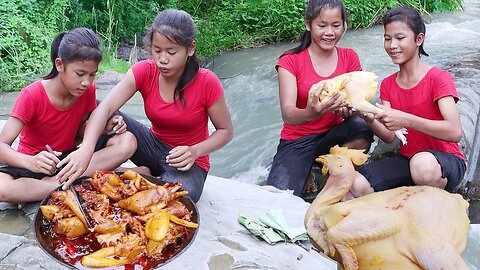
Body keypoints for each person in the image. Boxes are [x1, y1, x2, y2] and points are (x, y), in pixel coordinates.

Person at [56, 9, 234, 203]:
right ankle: (69, 161)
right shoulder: (145, 71)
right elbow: (105, 108)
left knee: (175, 198)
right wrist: (86, 149)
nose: (162, 59)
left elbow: (225, 131)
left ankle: (141, 175)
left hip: (187, 163)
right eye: (157, 50)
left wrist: (195, 151)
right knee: (96, 108)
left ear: (190, 49)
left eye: (171, 52)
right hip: (151, 146)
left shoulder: (207, 82)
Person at [0, 28, 137, 204]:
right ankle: (62, 184)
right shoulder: (32, 95)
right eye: (80, 74)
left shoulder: (87, 91)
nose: (86, 82)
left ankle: (53, 185)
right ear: (59, 65)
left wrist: (105, 128)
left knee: (127, 141)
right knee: (2, 188)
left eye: (92, 74)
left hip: (71, 159)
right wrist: (31, 162)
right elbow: (2, 146)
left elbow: (80, 133)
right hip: (35, 163)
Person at [348, 6, 466, 199]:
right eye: (387, 39)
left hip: (444, 162)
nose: (392, 45)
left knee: (422, 165)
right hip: (408, 160)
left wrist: (407, 120)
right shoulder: (387, 84)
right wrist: (368, 117)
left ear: (419, 39)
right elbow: (389, 137)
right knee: (356, 184)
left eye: (400, 38)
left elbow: (454, 132)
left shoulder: (438, 78)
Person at [266, 0, 373, 198]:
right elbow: (288, 114)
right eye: (322, 25)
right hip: (298, 140)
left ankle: (335, 168)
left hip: (335, 135)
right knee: (278, 199)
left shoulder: (349, 57)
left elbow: (358, 98)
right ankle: (304, 168)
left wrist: (349, 110)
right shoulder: (290, 61)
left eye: (336, 25)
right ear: (308, 24)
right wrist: (311, 112)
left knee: (361, 125)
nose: (329, 32)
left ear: (343, 26)